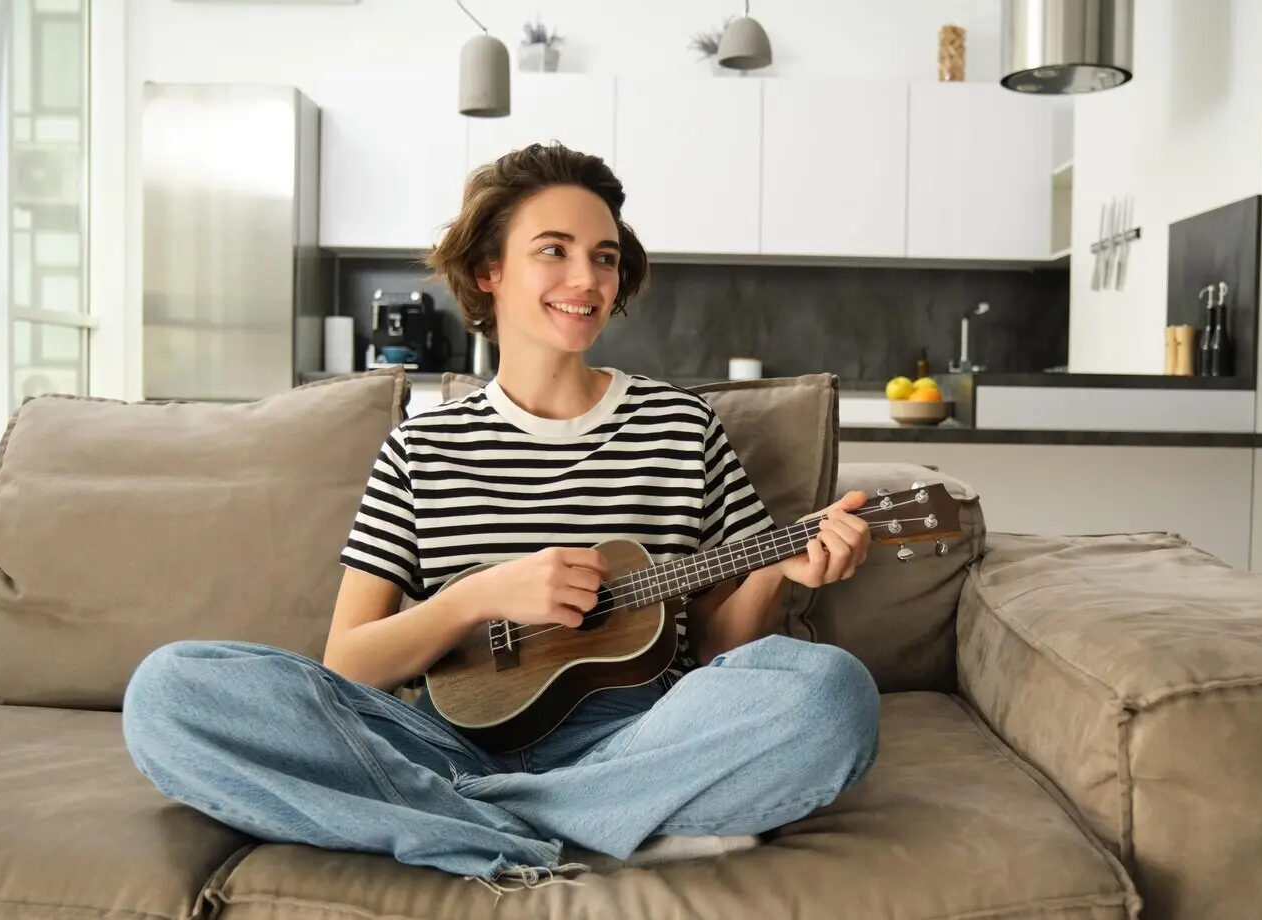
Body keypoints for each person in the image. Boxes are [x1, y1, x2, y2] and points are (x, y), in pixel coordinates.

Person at [121, 141, 880, 888]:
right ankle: (602, 827)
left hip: (637, 740)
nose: (587, 278)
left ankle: (467, 826)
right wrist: (478, 597)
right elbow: (349, 665)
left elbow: (720, 650)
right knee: (169, 691)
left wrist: (777, 572)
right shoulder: (420, 447)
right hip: (438, 745)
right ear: (490, 271)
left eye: (606, 257)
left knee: (828, 696)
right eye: (554, 250)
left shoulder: (681, 427)